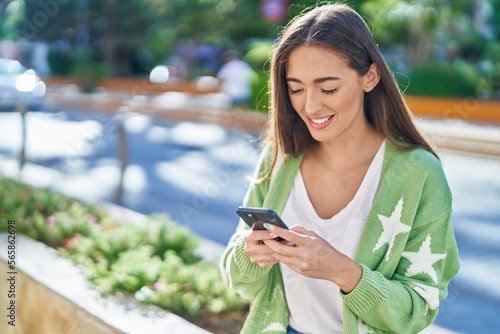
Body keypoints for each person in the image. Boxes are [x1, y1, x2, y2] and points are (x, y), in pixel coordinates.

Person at [220, 3, 460, 334]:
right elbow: (239, 281)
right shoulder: (280, 157)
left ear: (370, 76)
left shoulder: (418, 174)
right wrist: (251, 255)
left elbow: (418, 308)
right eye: (296, 89)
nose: (310, 105)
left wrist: (341, 271)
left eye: (328, 88)